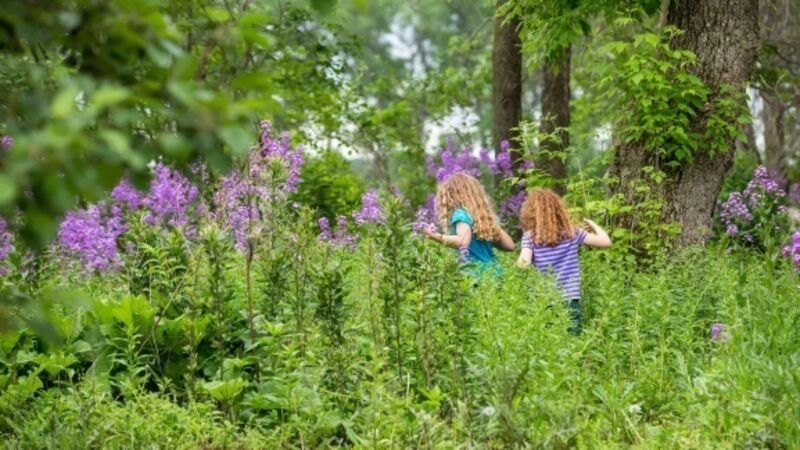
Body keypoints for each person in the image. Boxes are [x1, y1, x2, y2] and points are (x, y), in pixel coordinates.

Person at [516, 188, 611, 335]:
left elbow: (523, 264)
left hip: (544, 298)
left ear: (530, 214)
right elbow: (606, 242)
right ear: (559, 211)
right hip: (570, 297)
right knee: (572, 338)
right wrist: (593, 225)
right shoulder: (573, 233)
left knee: (549, 339)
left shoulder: (530, 237)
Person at [424, 173, 515, 271]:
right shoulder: (482, 219)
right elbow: (510, 246)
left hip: (474, 273)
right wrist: (491, 224)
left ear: (451, 195)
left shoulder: (460, 214)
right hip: (495, 272)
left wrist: (436, 236)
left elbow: (462, 242)